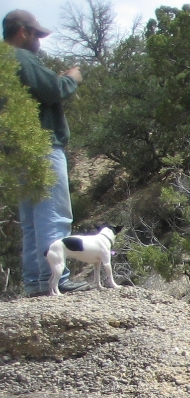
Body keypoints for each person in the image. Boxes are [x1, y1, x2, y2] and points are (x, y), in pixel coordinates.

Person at [4, 10, 87, 297]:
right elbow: (52, 90)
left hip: (18, 150)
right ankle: (56, 278)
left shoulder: (3, 62)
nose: (39, 41)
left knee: (31, 220)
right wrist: (72, 78)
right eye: (37, 34)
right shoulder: (21, 57)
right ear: (23, 32)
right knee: (53, 214)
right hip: (42, 144)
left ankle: (37, 282)